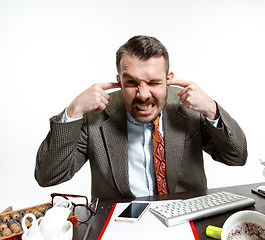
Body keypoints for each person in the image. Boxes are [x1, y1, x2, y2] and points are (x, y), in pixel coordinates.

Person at [35, 35, 247, 201]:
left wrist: (212, 110)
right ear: (119, 81)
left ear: (168, 79)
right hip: (121, 227)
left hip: (186, 217)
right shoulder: (95, 117)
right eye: (132, 83)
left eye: (154, 82)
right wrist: (74, 112)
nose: (143, 94)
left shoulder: (190, 109)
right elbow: (48, 176)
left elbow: (236, 157)